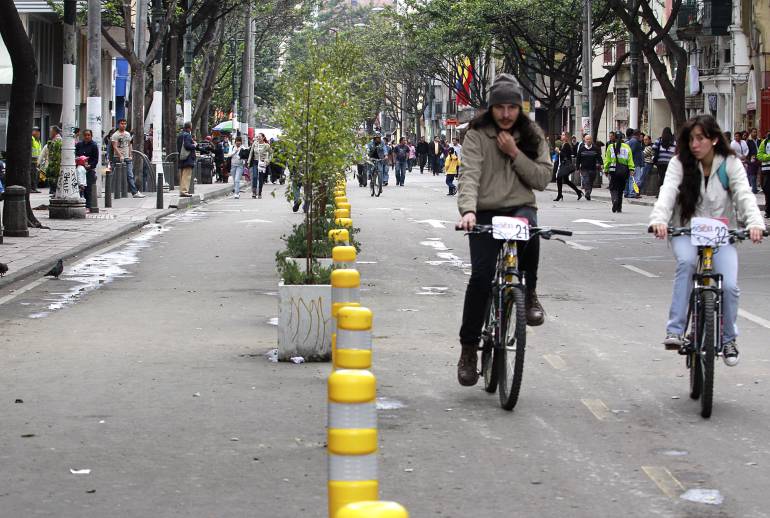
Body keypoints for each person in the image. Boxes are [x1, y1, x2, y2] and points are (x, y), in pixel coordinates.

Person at [455, 73, 552, 386]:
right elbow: (469, 175)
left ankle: (531, 294)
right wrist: (468, 211)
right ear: (491, 108)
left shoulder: (532, 133)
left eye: (512, 107)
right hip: (484, 211)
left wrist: (514, 153)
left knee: (531, 230)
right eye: (501, 108)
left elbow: (541, 178)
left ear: (520, 107)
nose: (507, 114)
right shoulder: (477, 135)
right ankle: (469, 349)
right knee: (481, 277)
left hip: (520, 207)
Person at [649, 114, 765, 366]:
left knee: (730, 285)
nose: (694, 144)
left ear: (713, 140)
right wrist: (659, 220)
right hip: (686, 231)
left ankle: (728, 338)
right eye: (691, 139)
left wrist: (755, 224)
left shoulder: (730, 164)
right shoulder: (679, 163)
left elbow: (745, 195)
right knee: (687, 264)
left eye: (700, 138)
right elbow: (667, 193)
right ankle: (676, 330)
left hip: (723, 235)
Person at [111, 118, 144, 198]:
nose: (123, 125)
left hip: (127, 158)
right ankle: (113, 192)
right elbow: (114, 146)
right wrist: (120, 155)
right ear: (118, 124)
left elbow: (129, 144)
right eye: (122, 123)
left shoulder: (127, 134)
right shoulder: (115, 135)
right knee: (116, 176)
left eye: (125, 123)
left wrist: (130, 154)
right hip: (118, 158)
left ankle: (134, 192)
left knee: (130, 175)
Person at [603, 131, 634, 213]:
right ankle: (619, 207)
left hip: (613, 170)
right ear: (623, 138)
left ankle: (615, 199)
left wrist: (606, 170)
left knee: (613, 187)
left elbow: (607, 160)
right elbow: (630, 159)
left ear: (615, 138)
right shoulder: (627, 147)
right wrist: (631, 169)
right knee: (620, 189)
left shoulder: (610, 146)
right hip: (624, 171)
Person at [553, 131, 583, 201]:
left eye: (563, 135)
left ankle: (559, 195)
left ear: (566, 137)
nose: (561, 135)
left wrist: (559, 151)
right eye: (562, 134)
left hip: (565, 165)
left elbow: (566, 155)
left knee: (559, 178)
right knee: (566, 180)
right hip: (563, 164)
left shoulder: (567, 145)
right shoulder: (563, 144)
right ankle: (578, 192)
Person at [75, 129, 99, 210]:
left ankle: (88, 205)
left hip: (89, 169)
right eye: (85, 135)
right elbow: (75, 154)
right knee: (80, 186)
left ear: (91, 136)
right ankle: (81, 203)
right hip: (79, 168)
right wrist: (78, 159)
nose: (87, 137)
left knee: (88, 189)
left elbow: (95, 160)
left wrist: (89, 165)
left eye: (88, 135)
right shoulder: (79, 145)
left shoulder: (94, 145)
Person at [576, 134, 601, 200]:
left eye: (589, 139)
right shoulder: (581, 149)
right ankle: (587, 193)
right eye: (587, 139)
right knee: (586, 180)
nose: (588, 141)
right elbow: (578, 159)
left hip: (593, 168)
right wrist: (577, 167)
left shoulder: (595, 148)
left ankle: (588, 193)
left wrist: (601, 164)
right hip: (584, 168)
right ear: (584, 140)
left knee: (591, 181)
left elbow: (599, 157)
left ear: (591, 140)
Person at [247, 133, 272, 199]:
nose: (258, 138)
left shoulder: (267, 145)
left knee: (261, 178)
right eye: (257, 137)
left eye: (260, 137)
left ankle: (260, 192)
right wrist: (248, 161)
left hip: (262, 163)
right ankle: (254, 192)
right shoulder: (255, 144)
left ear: (263, 137)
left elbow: (271, 154)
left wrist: (268, 160)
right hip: (255, 162)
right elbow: (251, 153)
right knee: (254, 177)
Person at [176, 121, 196, 197]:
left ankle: (181, 191)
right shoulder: (187, 135)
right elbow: (187, 146)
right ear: (190, 127)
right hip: (188, 157)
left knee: (182, 175)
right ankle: (184, 191)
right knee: (186, 175)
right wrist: (194, 145)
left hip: (181, 157)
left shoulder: (180, 135)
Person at [653, 127, 676, 191]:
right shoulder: (674, 141)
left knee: (661, 177)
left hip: (660, 162)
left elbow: (654, 148)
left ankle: (660, 192)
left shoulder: (659, 140)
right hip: (670, 162)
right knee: (669, 177)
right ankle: (667, 191)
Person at [625, 128, 644, 198]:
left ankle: (629, 192)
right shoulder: (635, 141)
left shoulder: (632, 141)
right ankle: (632, 193)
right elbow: (631, 153)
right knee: (636, 179)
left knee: (631, 178)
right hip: (635, 163)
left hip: (633, 163)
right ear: (638, 134)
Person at [759, 131, 770, 217]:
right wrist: (768, 156)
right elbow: (759, 155)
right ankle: (768, 211)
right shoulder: (765, 142)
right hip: (767, 170)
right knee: (767, 190)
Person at [745, 129, 759, 194]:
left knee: (757, 174)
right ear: (751, 133)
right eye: (754, 132)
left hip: (759, 159)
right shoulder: (748, 141)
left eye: (756, 132)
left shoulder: (759, 140)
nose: (755, 133)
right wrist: (748, 160)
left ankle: (756, 187)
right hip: (752, 159)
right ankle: (754, 189)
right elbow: (747, 151)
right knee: (752, 175)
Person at [30, 126, 42, 192]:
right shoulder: (31, 139)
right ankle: (31, 188)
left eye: (39, 132)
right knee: (32, 175)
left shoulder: (38, 140)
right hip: (31, 160)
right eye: (37, 131)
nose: (38, 133)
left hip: (36, 161)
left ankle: (34, 188)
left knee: (35, 175)